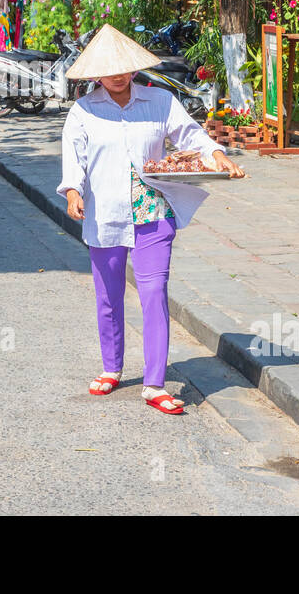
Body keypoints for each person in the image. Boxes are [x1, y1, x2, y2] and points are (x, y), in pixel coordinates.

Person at [57, 24, 244, 415]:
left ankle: (154, 383)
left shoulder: (160, 101)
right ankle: (112, 367)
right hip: (104, 212)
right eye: (109, 69)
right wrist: (73, 190)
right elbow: (74, 158)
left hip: (153, 210)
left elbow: (192, 137)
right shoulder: (84, 111)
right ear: (95, 74)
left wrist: (217, 156)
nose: (118, 75)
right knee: (108, 296)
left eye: (124, 66)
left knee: (154, 293)